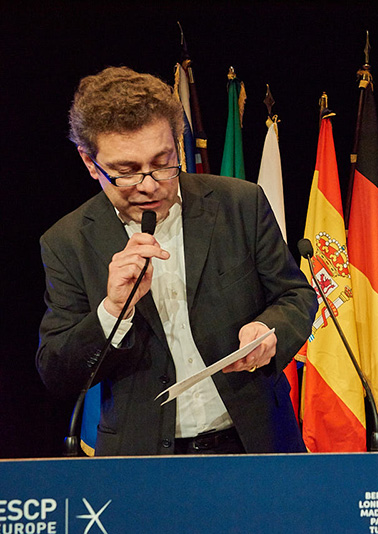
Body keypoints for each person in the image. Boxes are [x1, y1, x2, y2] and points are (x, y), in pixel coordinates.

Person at [36, 66, 317, 456]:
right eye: (127, 172)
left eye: (163, 161)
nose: (149, 184)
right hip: (142, 460)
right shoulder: (67, 241)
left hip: (256, 443)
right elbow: (58, 371)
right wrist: (112, 309)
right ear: (89, 161)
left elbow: (296, 297)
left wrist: (269, 330)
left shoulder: (240, 204)